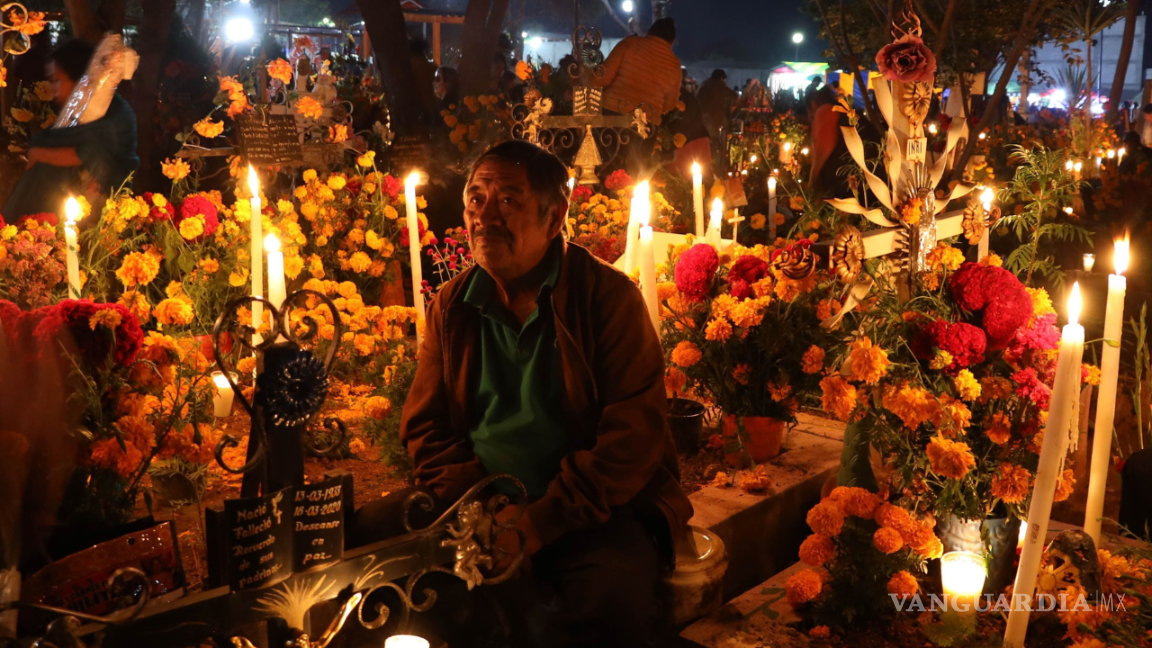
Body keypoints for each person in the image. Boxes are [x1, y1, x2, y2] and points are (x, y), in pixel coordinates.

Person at [350, 140, 692, 647]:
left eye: (508, 201)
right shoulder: (453, 304)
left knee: (606, 601)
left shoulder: (606, 300)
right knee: (360, 544)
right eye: (476, 199)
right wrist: (483, 508)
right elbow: (426, 426)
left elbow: (632, 438)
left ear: (555, 217)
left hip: (591, 511)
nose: (485, 217)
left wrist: (534, 524)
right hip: (472, 504)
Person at [4, 39, 139, 220]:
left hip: (92, 217)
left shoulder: (113, 113)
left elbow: (88, 154)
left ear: (80, 79)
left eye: (57, 80)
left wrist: (40, 153)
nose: (54, 89)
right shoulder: (80, 112)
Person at [590, 17, 682, 125]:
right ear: (672, 42)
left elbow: (602, 77)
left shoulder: (630, 43)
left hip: (613, 113)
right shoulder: (675, 65)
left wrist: (579, 89)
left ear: (649, 32)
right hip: (647, 123)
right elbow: (670, 105)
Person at [808, 86, 852, 197]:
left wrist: (812, 181)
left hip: (843, 178)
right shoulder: (841, 111)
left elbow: (822, 150)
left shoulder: (827, 110)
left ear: (813, 103)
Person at [696, 68, 738, 141]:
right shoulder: (719, 84)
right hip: (712, 116)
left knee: (704, 138)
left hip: (701, 115)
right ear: (721, 78)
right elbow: (734, 96)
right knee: (714, 138)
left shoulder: (704, 83)